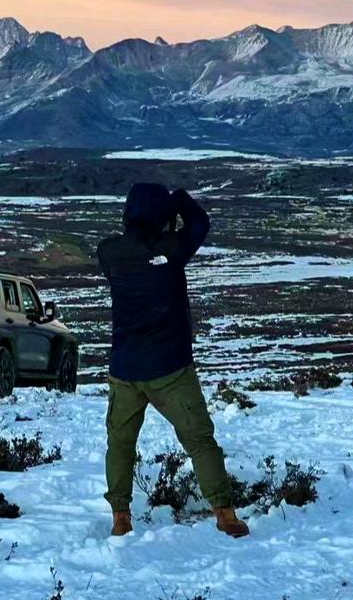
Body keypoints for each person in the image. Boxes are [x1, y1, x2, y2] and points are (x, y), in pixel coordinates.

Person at [97, 181, 249, 539]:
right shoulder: (172, 248)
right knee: (199, 440)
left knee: (120, 444)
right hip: (171, 369)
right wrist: (179, 199)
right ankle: (225, 514)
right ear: (161, 216)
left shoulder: (109, 252)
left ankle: (121, 518)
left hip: (124, 370)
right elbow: (199, 224)